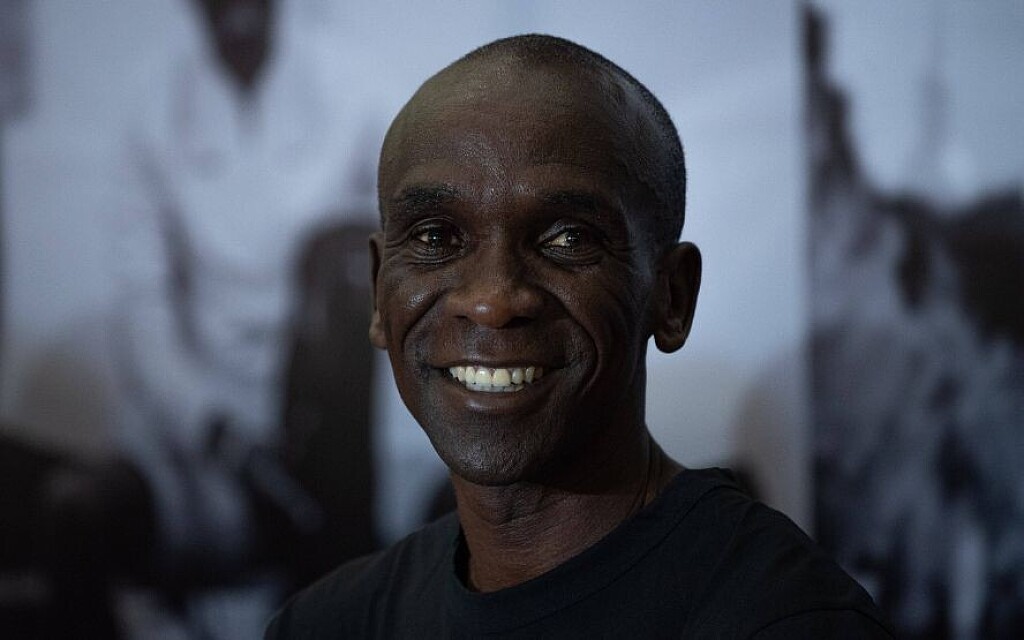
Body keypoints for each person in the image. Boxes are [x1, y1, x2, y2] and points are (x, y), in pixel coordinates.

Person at [265, 34, 894, 638]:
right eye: (436, 237)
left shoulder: (789, 622)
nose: (492, 301)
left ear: (672, 297)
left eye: (568, 238)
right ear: (380, 292)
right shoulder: (326, 625)